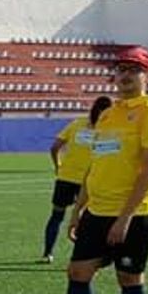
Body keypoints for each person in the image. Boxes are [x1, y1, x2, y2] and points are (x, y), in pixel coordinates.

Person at [27, 45, 148, 294]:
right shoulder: (107, 114)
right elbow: (96, 164)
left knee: (129, 278)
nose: (125, 75)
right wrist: (80, 208)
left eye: (134, 69)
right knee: (78, 272)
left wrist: (124, 218)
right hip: (98, 210)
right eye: (121, 68)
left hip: (135, 214)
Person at [40, 96, 111, 263]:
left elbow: (55, 147)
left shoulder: (77, 124)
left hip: (66, 177)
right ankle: (83, 257)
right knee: (87, 220)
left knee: (57, 215)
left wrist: (58, 166)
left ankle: (47, 253)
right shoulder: (107, 129)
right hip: (89, 181)